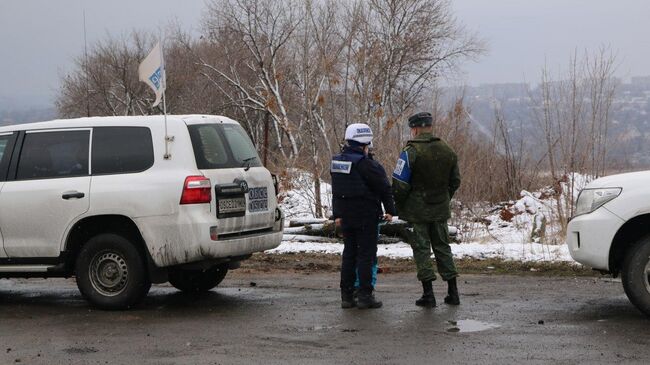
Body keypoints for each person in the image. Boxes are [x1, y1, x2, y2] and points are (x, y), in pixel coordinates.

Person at [392, 112, 461, 307]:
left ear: (414, 129)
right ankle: (453, 292)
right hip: (440, 209)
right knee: (443, 248)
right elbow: (455, 181)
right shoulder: (448, 150)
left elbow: (399, 183)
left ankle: (428, 295)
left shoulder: (410, 152)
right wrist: (444, 198)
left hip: (417, 212)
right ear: (430, 127)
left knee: (422, 250)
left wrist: (401, 204)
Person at [331, 123, 396, 309]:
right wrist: (390, 210)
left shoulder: (337, 162)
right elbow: (384, 188)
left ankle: (346, 296)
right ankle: (365, 296)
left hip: (346, 216)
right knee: (366, 255)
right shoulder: (366, 164)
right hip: (366, 215)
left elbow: (336, 190)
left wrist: (337, 214)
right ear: (365, 143)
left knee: (349, 255)